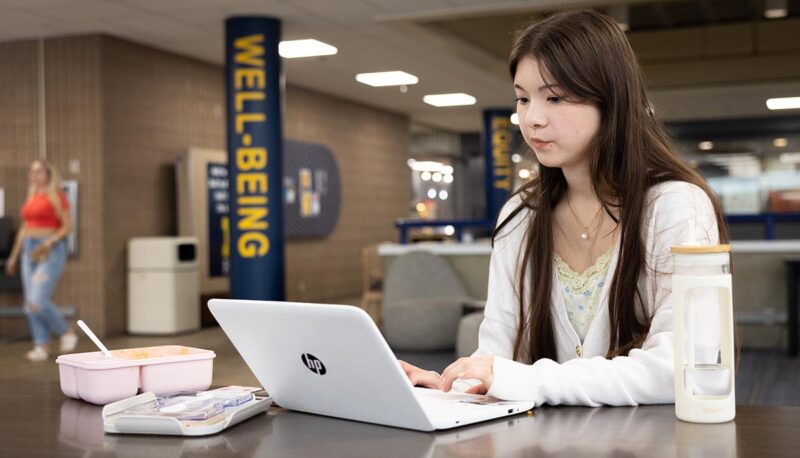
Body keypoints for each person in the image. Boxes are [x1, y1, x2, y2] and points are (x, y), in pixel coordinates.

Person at [400, 9, 729, 406]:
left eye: (554, 97)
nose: (531, 118)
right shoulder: (521, 216)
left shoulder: (676, 207)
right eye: (522, 98)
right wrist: (451, 388)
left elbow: (680, 367)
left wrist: (524, 379)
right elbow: (498, 358)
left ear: (611, 100)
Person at [5, 159, 78, 362]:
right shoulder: (31, 197)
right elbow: (24, 229)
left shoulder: (58, 197)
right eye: (32, 171)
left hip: (50, 249)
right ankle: (42, 345)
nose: (34, 174)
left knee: (37, 300)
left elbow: (67, 226)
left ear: (48, 174)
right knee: (30, 303)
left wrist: (50, 241)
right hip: (29, 249)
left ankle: (67, 331)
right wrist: (13, 256)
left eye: (39, 171)